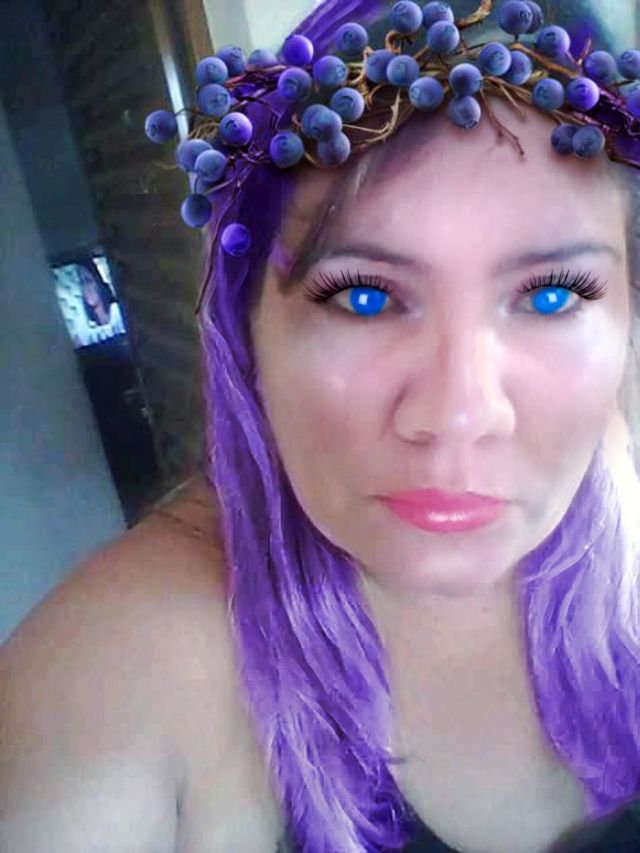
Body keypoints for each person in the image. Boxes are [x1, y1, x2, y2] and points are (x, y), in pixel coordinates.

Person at [1, 1, 639, 851]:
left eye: (552, 294)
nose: (459, 414)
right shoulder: (123, 665)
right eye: (364, 297)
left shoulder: (621, 487)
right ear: (248, 336)